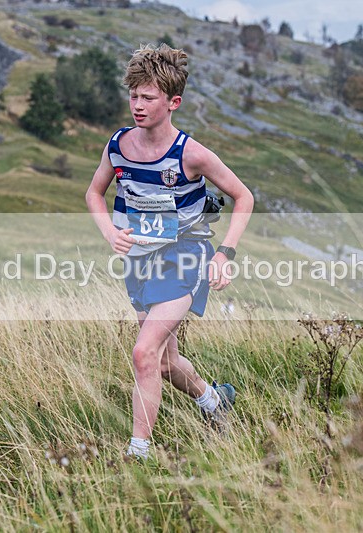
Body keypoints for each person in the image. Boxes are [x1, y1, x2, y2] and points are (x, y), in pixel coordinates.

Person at [85, 44, 254, 460]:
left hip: (186, 257)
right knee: (163, 363)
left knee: (143, 353)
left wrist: (224, 254)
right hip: (139, 260)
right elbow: (94, 193)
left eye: (148, 97)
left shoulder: (191, 154)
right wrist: (110, 232)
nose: (137, 105)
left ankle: (137, 455)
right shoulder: (118, 146)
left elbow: (243, 196)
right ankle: (216, 401)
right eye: (133, 96)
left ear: (173, 102)